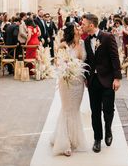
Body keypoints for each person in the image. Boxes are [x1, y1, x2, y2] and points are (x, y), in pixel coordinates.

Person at [82, 13, 122, 153]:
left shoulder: (107, 37)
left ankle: (108, 129)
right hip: (93, 82)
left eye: (83, 23)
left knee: (108, 110)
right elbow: (87, 61)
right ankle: (97, 139)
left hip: (108, 80)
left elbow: (114, 58)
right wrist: (86, 77)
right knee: (95, 112)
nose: (82, 26)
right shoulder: (86, 41)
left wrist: (117, 78)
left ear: (91, 25)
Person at [51, 23, 87, 156]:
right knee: (67, 108)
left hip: (79, 82)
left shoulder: (84, 43)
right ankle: (64, 142)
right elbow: (57, 62)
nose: (79, 28)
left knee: (75, 109)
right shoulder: (63, 44)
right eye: (77, 28)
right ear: (72, 31)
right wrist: (65, 68)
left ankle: (74, 139)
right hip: (66, 81)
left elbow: (86, 61)